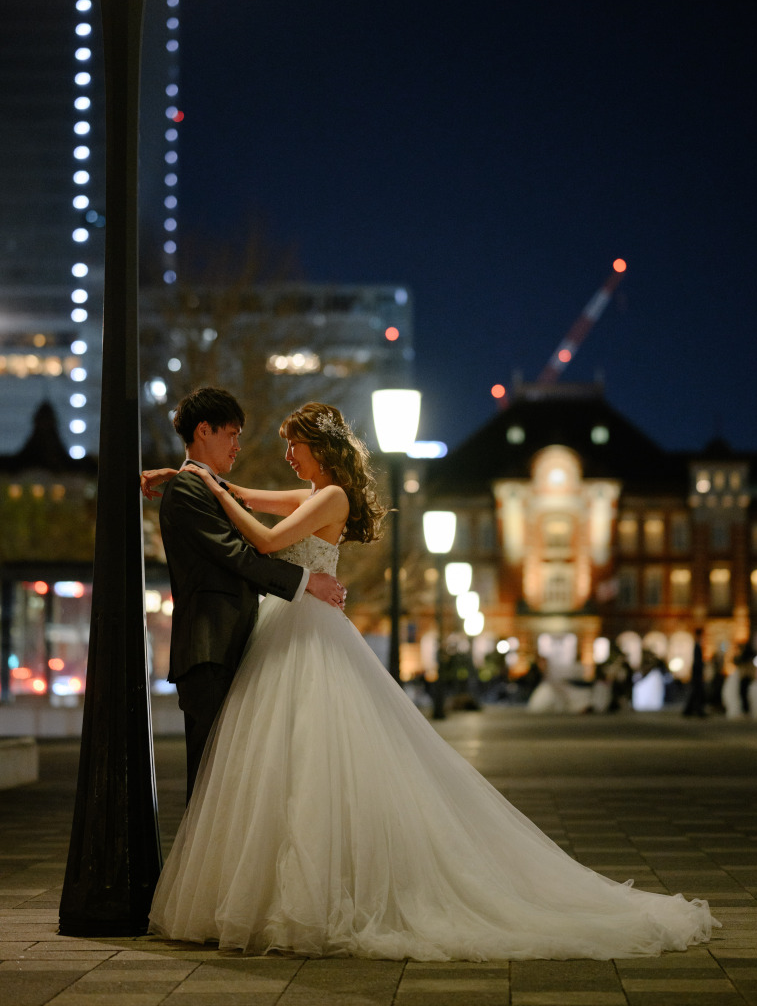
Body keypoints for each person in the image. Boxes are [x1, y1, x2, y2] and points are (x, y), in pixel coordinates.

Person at [149, 402, 718, 961]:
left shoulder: (331, 497)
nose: (287, 457)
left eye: (292, 445)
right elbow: (247, 498)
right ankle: (278, 888)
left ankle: (300, 891)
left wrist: (212, 489)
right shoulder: (314, 495)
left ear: (317, 445)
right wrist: (192, 477)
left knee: (308, 755)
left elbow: (266, 541)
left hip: (306, 628)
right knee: (288, 759)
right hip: (290, 627)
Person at [141, 387, 345, 800]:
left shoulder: (201, 486)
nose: (238, 445)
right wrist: (308, 580)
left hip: (231, 644)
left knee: (231, 776)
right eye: (231, 434)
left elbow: (238, 503)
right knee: (212, 778)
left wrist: (177, 474)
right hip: (209, 647)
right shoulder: (189, 490)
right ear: (204, 430)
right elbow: (240, 555)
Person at [682, 628, 706, 717]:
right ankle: (697, 710)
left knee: (695, 692)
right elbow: (697, 661)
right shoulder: (697, 646)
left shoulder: (697, 645)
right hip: (697, 673)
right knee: (697, 692)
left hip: (696, 673)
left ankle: (689, 711)